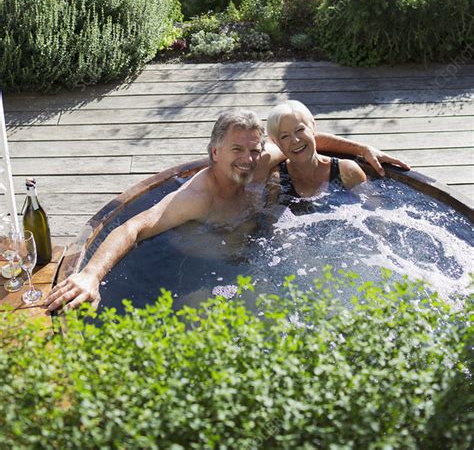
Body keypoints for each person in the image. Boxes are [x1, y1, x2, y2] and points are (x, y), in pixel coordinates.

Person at [45, 109, 408, 313]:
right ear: (214, 151)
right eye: (237, 150)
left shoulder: (261, 163)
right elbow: (133, 228)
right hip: (202, 269)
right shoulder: (198, 195)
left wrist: (360, 148)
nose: (247, 159)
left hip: (256, 255)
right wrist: (90, 275)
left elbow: (302, 141)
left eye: (253, 150)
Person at [266, 100, 366, 197]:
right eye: (285, 136)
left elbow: (373, 207)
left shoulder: (347, 171)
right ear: (277, 143)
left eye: (300, 129)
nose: (295, 140)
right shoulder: (277, 180)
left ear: (312, 127)